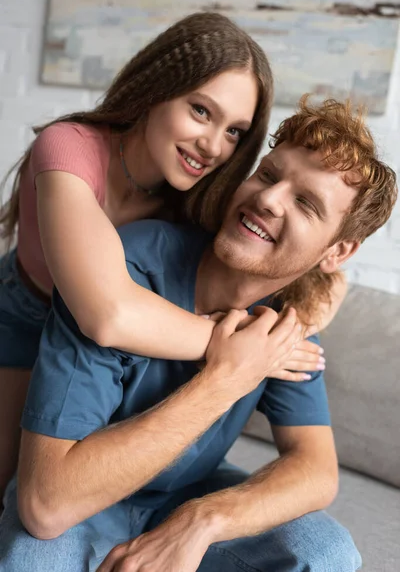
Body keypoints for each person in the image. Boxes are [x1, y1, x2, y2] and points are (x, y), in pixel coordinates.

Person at [0, 97, 396, 571]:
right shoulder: (123, 271)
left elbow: (315, 469)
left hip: (184, 498)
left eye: (306, 203)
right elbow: (47, 504)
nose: (268, 199)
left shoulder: (290, 317)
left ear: (337, 251)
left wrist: (201, 521)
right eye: (268, 175)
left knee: (326, 552)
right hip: (82, 494)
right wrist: (226, 378)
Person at [0, 11, 275, 501]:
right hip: (27, 317)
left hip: (118, 355)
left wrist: (317, 301)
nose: (213, 146)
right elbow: (106, 314)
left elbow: (272, 272)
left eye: (235, 131)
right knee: (13, 487)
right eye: (201, 111)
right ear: (157, 89)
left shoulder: (199, 200)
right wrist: (237, 350)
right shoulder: (67, 148)